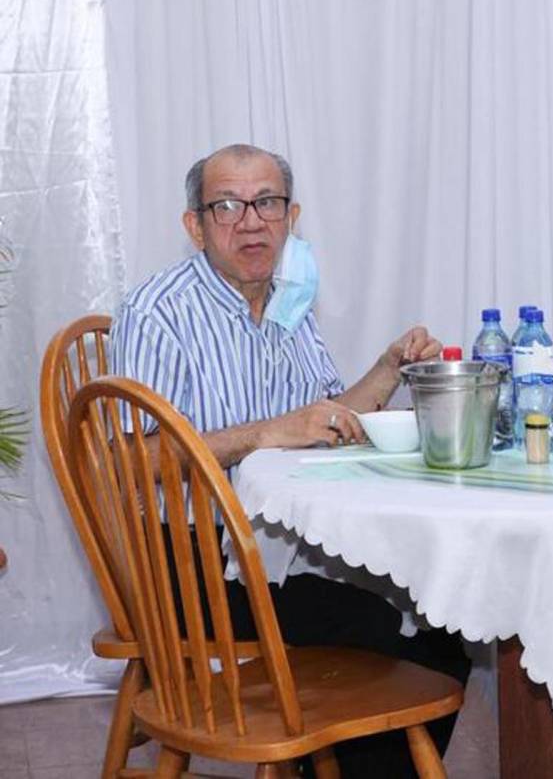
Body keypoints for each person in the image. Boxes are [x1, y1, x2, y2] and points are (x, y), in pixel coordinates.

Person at [109, 143, 470, 777]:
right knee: (393, 630)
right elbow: (132, 460)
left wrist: (388, 370)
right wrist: (265, 433)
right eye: (227, 205)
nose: (251, 221)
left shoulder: (287, 300)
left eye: (268, 203)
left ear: (291, 215)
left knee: (446, 613)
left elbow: (324, 419)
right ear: (194, 224)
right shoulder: (157, 312)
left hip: (276, 546)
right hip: (191, 566)